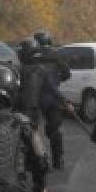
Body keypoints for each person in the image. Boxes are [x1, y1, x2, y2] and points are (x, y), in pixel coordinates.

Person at [17, 37, 72, 169]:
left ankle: (34, 162)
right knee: (53, 131)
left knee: (29, 132)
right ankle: (56, 160)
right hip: (48, 99)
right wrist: (64, 100)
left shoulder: (20, 69)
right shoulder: (52, 57)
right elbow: (60, 79)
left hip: (32, 104)